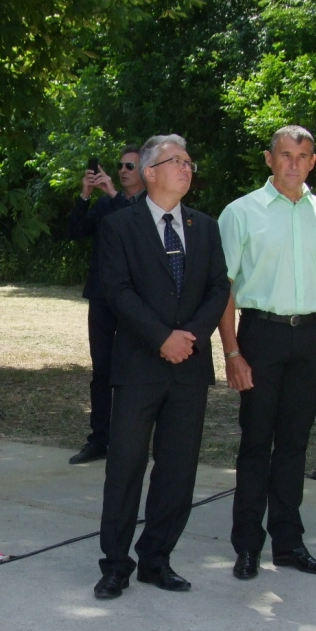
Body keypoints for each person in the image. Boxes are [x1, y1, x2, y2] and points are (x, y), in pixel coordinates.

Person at [218, 125, 316, 581]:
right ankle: (247, 546)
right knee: (256, 442)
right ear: (269, 158)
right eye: (284, 155)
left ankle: (288, 544)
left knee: (295, 444)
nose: (293, 164)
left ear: (313, 162)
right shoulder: (241, 213)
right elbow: (223, 287)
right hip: (260, 335)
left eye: (302, 156)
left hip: (310, 338)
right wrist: (233, 352)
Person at [93, 134, 230, 599]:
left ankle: (157, 559)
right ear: (150, 173)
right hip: (138, 365)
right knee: (125, 467)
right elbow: (117, 291)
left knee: (177, 469)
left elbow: (219, 288)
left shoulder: (205, 227)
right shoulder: (120, 225)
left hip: (189, 366)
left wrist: (189, 337)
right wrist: (161, 338)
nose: (187, 168)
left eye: (189, 162)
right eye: (177, 161)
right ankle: (116, 564)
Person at [66, 145, 145, 465]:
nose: (123, 170)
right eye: (120, 165)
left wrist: (113, 193)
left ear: (145, 171)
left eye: (130, 166)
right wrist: (85, 196)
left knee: (133, 372)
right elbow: (74, 232)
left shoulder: (150, 206)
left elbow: (137, 230)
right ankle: (99, 439)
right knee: (101, 370)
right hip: (101, 297)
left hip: (136, 300)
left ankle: (129, 441)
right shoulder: (103, 205)